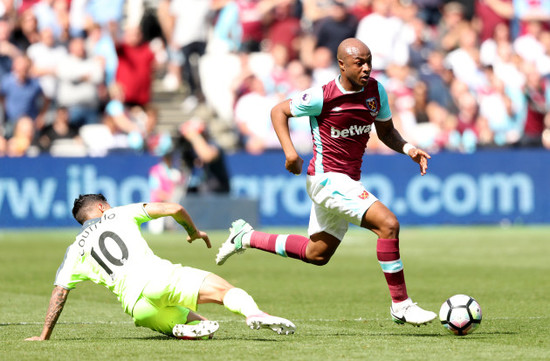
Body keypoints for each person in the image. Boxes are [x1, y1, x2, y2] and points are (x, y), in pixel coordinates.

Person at [216, 38, 437, 326]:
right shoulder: (322, 96)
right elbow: (278, 111)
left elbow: (386, 131)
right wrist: (290, 153)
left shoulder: (375, 91)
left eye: (369, 61)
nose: (367, 68)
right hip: (326, 179)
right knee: (388, 224)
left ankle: (245, 236)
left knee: (317, 253)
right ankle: (401, 305)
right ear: (342, 65)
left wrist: (409, 149)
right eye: (360, 63)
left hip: (347, 180)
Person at [25, 194, 295, 341]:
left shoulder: (75, 249)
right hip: (157, 279)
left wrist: (43, 335)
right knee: (225, 291)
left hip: (136, 307)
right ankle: (255, 313)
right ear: (101, 207)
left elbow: (59, 293)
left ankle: (178, 329)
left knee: (203, 328)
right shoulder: (116, 214)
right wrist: (193, 231)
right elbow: (174, 207)